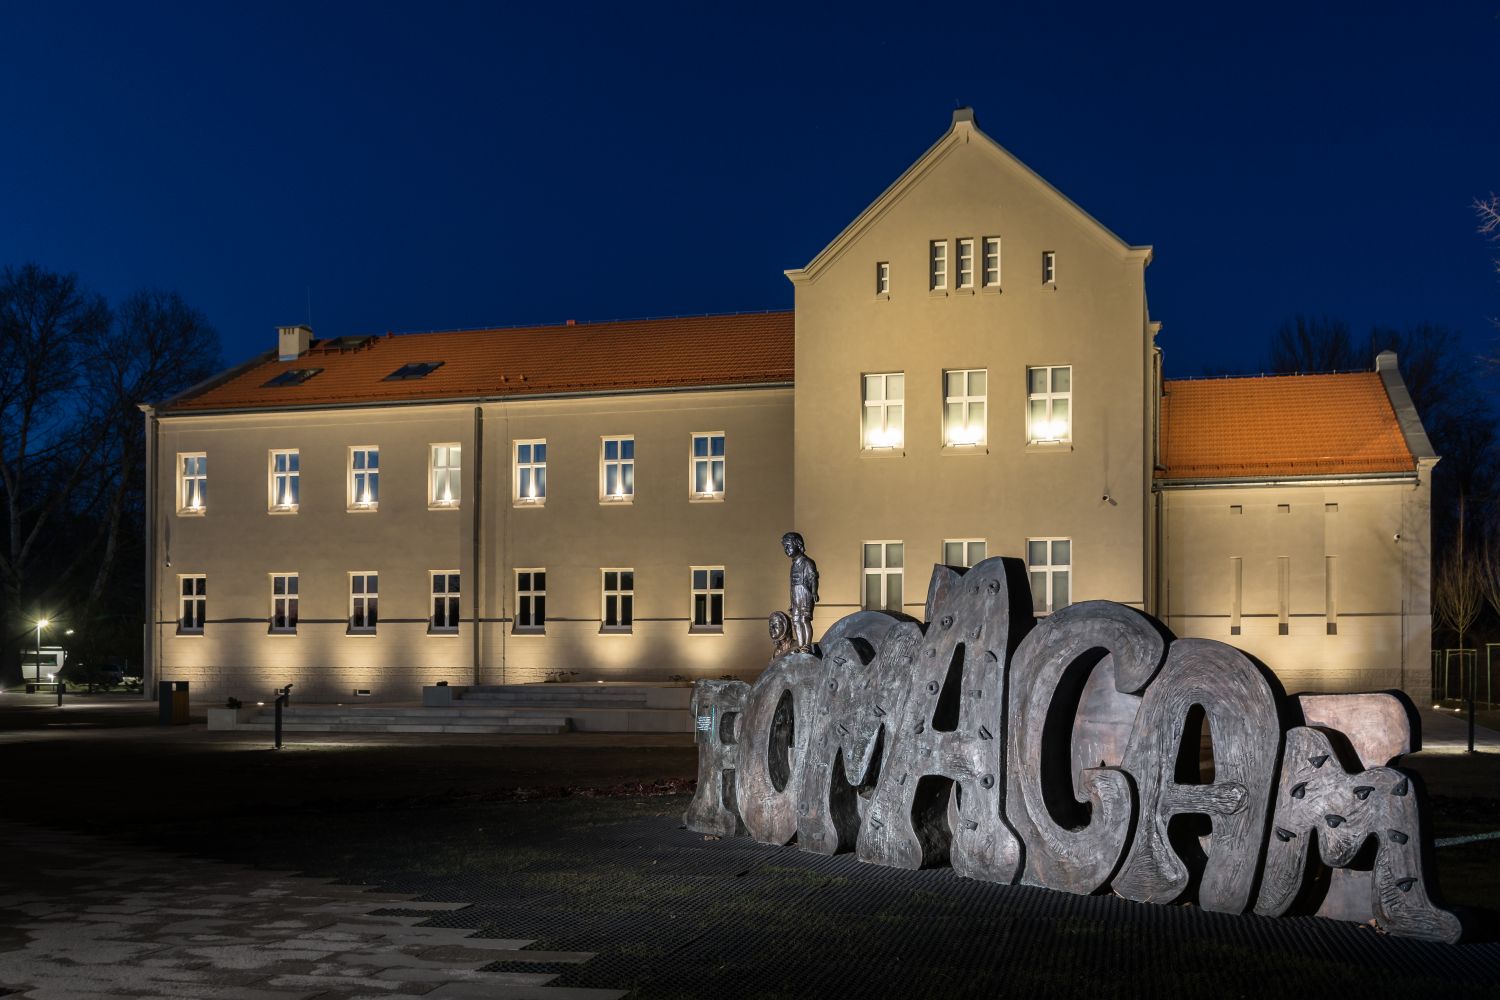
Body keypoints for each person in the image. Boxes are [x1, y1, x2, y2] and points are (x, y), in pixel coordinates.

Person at [781, 531, 819, 653]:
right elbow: (792, 585)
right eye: (784, 547)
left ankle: (806, 645)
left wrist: (814, 592)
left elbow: (813, 578)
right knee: (796, 620)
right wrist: (792, 602)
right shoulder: (793, 565)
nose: (786, 549)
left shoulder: (807, 562)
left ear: (798, 544)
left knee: (804, 619)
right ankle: (800, 644)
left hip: (805, 593)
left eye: (788, 545)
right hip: (795, 594)